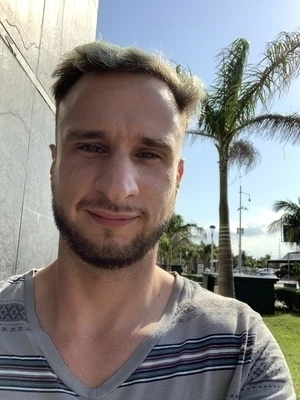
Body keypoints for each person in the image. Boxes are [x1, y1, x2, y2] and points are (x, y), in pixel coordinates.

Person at [0, 41, 295, 399]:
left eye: (149, 154)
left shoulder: (241, 352)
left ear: (177, 180)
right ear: (54, 165)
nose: (116, 189)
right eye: (91, 147)